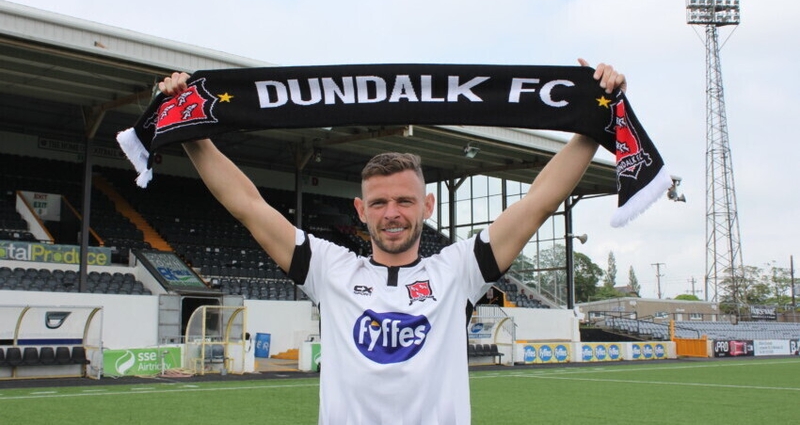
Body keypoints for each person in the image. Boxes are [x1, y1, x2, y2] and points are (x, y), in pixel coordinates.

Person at [159, 59, 626, 424]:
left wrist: (591, 116)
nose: (393, 213)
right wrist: (189, 127)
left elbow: (539, 202)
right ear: (360, 212)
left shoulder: (457, 272)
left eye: (405, 200)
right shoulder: (330, 270)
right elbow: (247, 204)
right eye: (379, 203)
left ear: (427, 206)